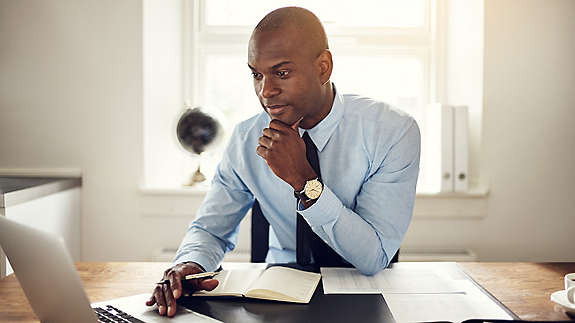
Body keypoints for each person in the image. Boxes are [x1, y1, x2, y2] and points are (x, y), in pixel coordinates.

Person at [146, 6, 420, 317]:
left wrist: (305, 183)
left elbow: (373, 258)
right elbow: (211, 230)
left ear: (323, 68)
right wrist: (190, 264)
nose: (266, 91)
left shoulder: (392, 131)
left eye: (282, 73)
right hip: (275, 296)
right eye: (256, 74)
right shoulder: (245, 139)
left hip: (365, 293)